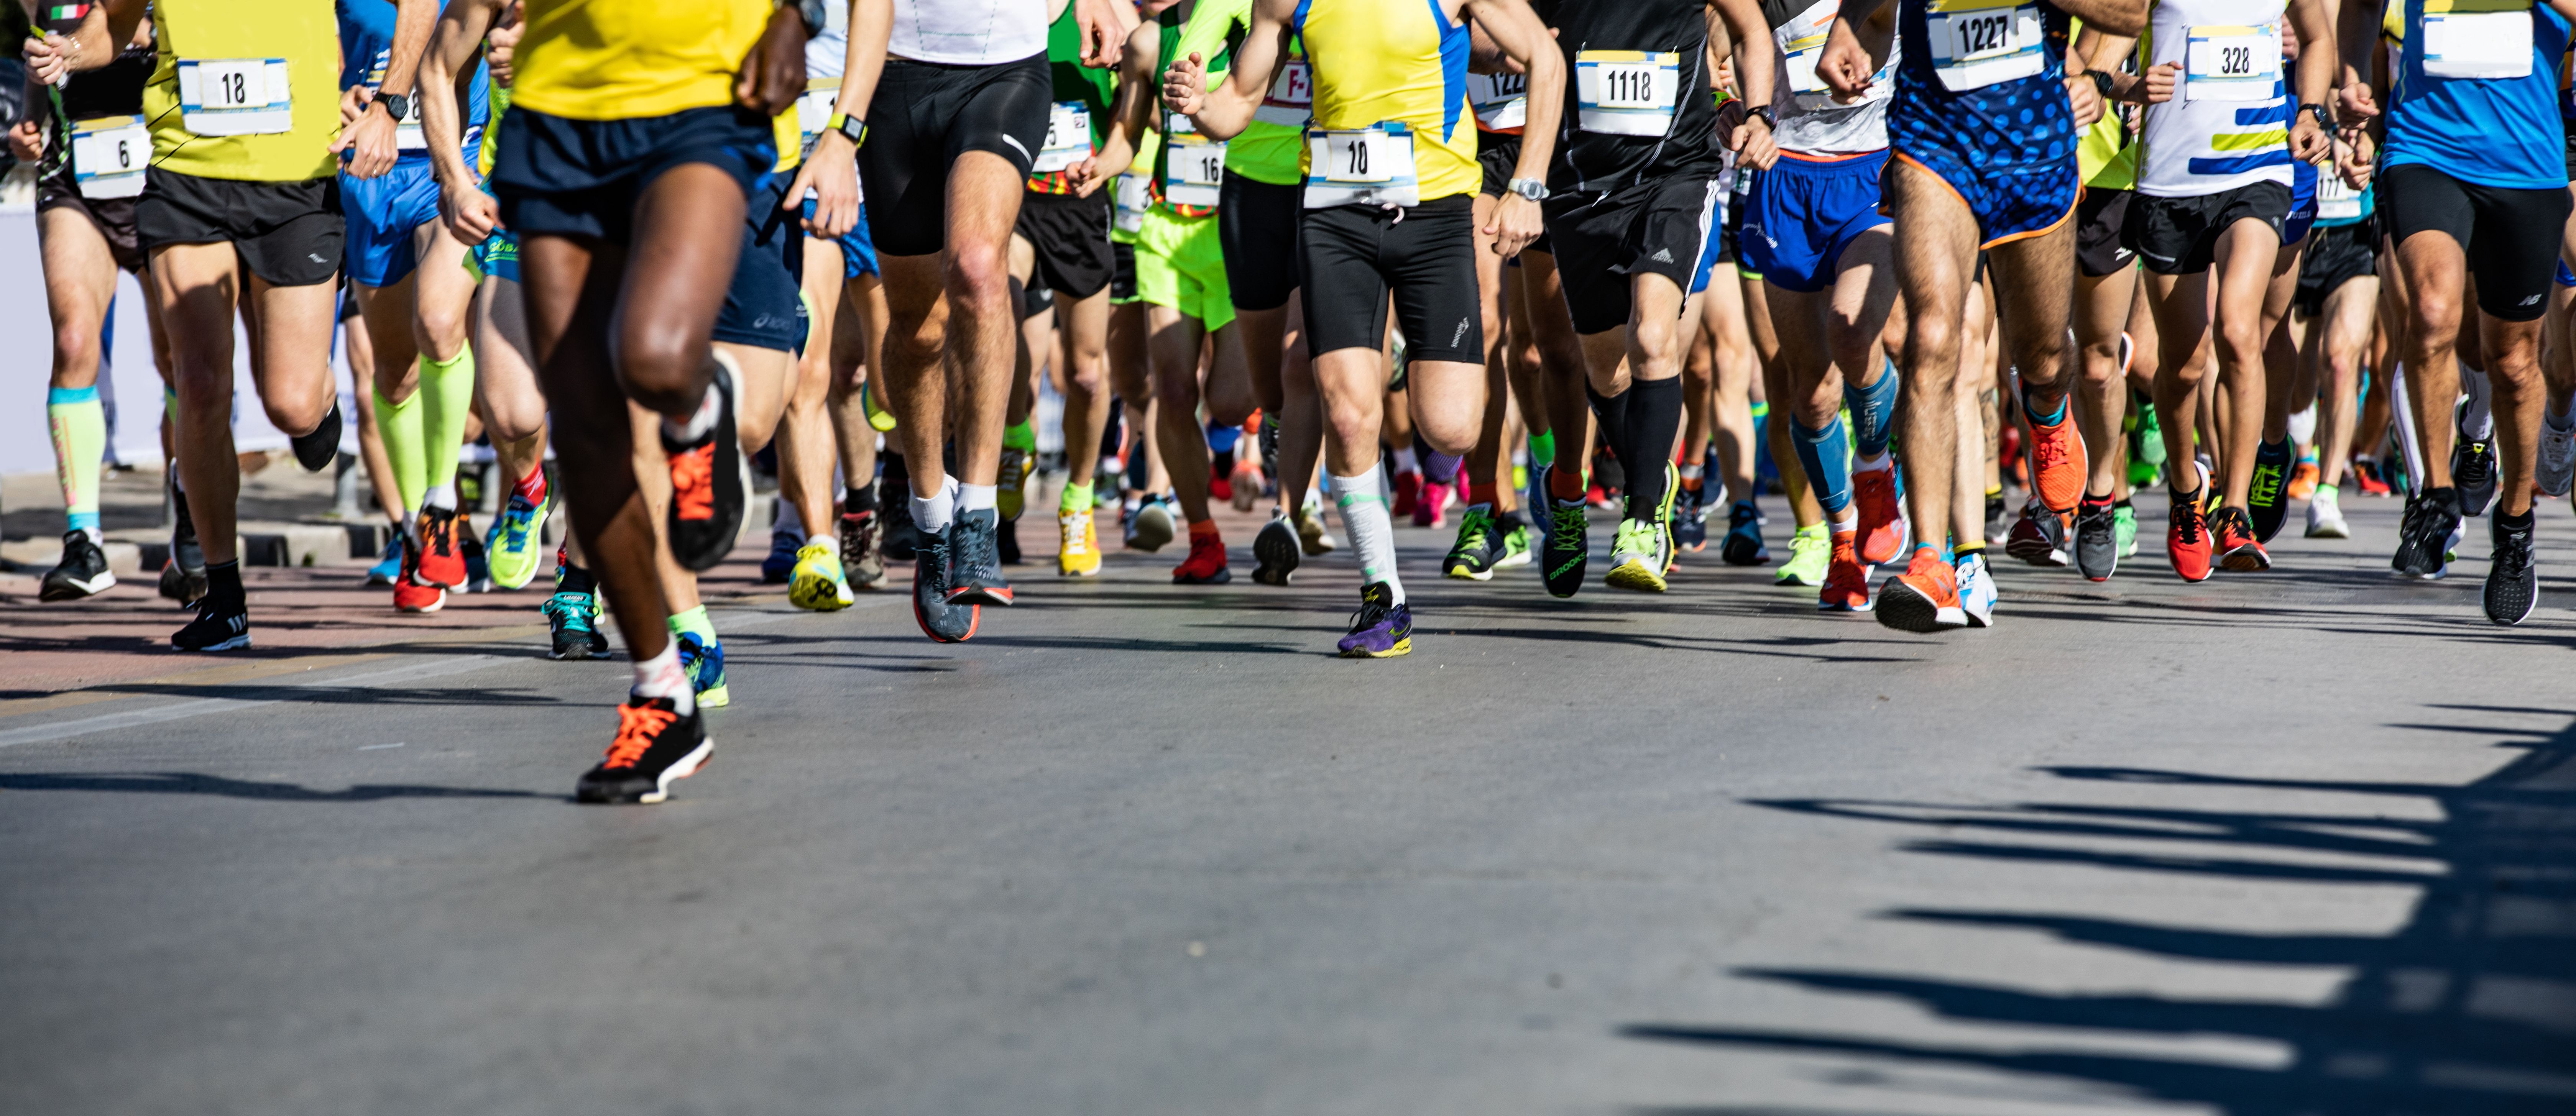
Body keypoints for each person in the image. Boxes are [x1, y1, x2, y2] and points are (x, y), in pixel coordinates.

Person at [1168, 0, 1565, 656]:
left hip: (1435, 215)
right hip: (1334, 215)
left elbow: (1546, 60)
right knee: (1349, 416)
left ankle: (1412, 366)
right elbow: (1237, 102)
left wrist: (1528, 186)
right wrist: (1198, 106)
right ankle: (1384, 597)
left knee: (1453, 429)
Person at [33, 0, 388, 652]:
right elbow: (116, 22)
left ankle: (318, 401)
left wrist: (388, 102)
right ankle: (222, 596)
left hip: (295, 181)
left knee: (291, 402)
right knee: (198, 384)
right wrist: (70, 53)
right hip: (185, 177)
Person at [1814, 0, 2146, 631]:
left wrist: (2097, 77)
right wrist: (1848, 34)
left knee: (2042, 356)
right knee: (1933, 336)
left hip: (2033, 148)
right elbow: (1872, 13)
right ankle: (1932, 561)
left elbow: (2129, 14)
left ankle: (2048, 411)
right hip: (1932, 143)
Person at [818, 0, 1129, 642]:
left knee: (980, 266)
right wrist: (844, 130)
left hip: (1005, 67)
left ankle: (977, 516)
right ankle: (931, 514)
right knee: (918, 329)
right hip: (897, 70)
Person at [2342, 0, 2576, 622]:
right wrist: (2351, 80)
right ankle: (2435, 496)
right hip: (2425, 148)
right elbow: (2361, 6)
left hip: (2527, 162)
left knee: (2512, 361)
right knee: (2430, 312)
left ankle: (2516, 526)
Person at [1534, 0, 1776, 598]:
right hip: (1579, 184)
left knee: (1651, 336)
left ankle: (1642, 519)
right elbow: (1497, 32)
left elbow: (1750, 28)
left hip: (1676, 173)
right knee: (1604, 371)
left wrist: (1758, 113)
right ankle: (1625, 479)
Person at [1743, 0, 1902, 611]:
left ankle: (1875, 467)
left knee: (1852, 330)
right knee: (1810, 393)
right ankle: (1842, 542)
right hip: (1786, 179)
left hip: (1873, 171)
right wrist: (1730, 107)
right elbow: (1712, 45)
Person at [340, 0, 498, 614]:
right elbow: (314, 51)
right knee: (395, 373)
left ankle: (442, 504)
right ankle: (413, 530)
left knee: (438, 320)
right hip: (371, 174)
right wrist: (334, 99)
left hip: (451, 170)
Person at [18, 2, 165, 603]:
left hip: (164, 179)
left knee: (182, 361)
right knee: (74, 341)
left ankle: (193, 529)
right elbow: (41, 51)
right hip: (75, 175)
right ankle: (85, 541)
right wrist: (28, 123)